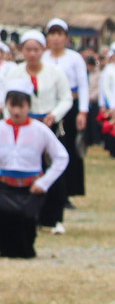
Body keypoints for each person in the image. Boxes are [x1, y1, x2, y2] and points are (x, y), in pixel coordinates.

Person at [4, 31, 72, 233]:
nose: (32, 53)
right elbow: (6, 100)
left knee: (53, 170)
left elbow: (66, 98)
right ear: (22, 50)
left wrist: (55, 114)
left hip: (48, 124)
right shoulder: (14, 73)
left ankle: (54, 218)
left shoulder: (55, 72)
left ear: (44, 49)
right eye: (28, 49)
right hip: (21, 125)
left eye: (36, 49)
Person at [0, 83, 68, 258]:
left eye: (20, 106)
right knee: (5, 218)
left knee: (26, 219)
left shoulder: (40, 130)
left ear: (28, 106)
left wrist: (44, 182)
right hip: (5, 185)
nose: (16, 111)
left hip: (32, 187)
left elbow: (61, 156)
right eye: (12, 106)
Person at [42, 18, 88, 199]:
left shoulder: (74, 58)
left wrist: (83, 111)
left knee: (68, 148)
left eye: (59, 34)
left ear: (66, 37)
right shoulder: (43, 57)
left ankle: (69, 190)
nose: (55, 38)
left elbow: (83, 86)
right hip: (48, 107)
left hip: (71, 107)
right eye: (52, 34)